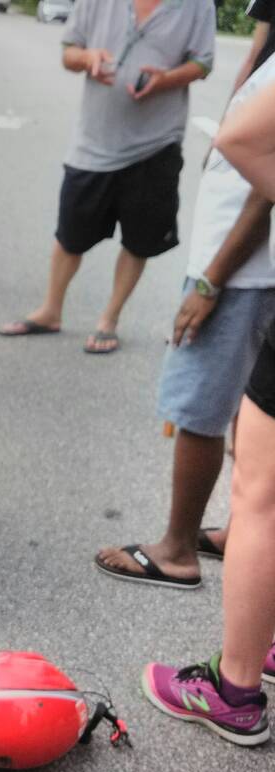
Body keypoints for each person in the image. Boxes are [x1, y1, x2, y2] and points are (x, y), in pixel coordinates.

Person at [95, 53, 275, 589]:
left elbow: (262, 186)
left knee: (201, 406)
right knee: (256, 404)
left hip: (243, 269)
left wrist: (210, 281)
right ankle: (246, 524)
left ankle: (176, 550)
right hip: (249, 265)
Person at [141, 81, 275, 746]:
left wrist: (210, 279)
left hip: (250, 274)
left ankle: (236, 692)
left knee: (261, 494)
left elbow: (245, 141)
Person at [0, 0, 215, 354]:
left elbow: (203, 62)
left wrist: (166, 80)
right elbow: (69, 53)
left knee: (139, 240)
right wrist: (88, 59)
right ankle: (51, 310)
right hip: (93, 141)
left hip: (157, 143)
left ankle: (109, 319)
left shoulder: (197, 5)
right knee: (70, 233)